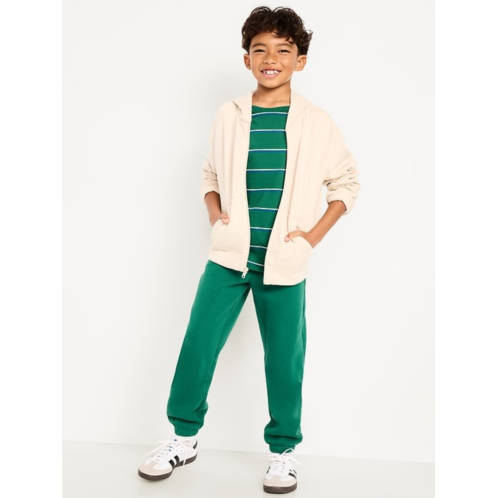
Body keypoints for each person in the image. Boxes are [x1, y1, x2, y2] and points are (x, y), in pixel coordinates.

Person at [138, 5, 360, 494]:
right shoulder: (230, 115)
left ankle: (283, 452)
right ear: (247, 59)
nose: (271, 58)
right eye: (260, 49)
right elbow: (210, 173)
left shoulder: (316, 122)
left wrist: (311, 237)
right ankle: (183, 439)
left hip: (284, 261)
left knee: (284, 359)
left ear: (300, 60)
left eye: (283, 50)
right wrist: (215, 213)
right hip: (228, 257)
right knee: (198, 345)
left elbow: (346, 184)